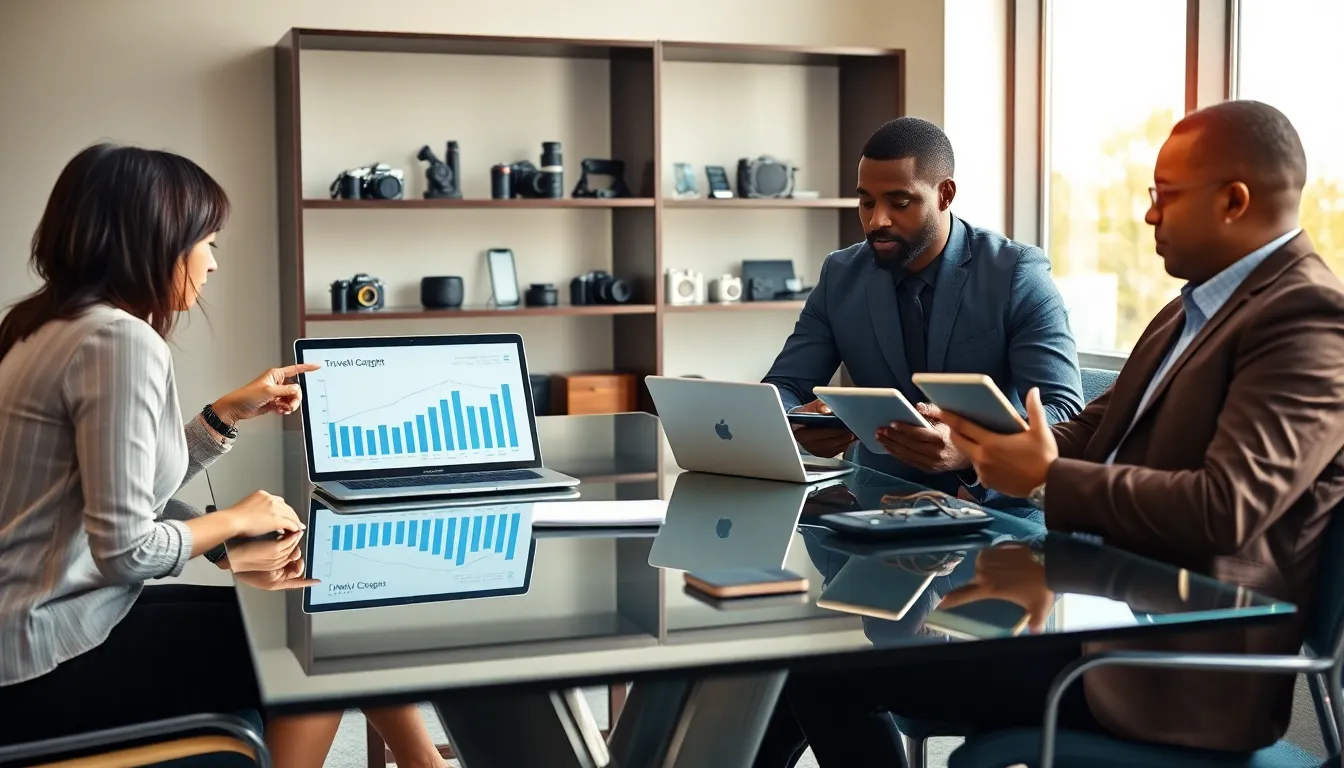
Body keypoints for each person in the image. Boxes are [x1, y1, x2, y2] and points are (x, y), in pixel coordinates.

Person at [764, 99, 1344, 767]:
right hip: (1086, 612)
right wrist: (983, 447)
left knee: (821, 674)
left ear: (1234, 201)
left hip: (1166, 665)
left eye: (1165, 197)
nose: (1150, 215)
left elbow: (1227, 508)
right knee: (809, 665)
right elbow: (1082, 433)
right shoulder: (1188, 311)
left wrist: (1040, 477)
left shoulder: (1307, 317)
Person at [0, 143, 445, 768]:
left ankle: (424, 764)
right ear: (154, 240)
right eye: (206, 241)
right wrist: (235, 521)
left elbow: (122, 490)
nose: (212, 263)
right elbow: (128, 549)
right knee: (314, 645)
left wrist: (223, 415)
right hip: (42, 656)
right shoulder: (118, 341)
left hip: (32, 626)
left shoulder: (42, 324)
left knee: (317, 620)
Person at [762, 117, 1083, 499]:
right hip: (872, 506)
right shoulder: (840, 274)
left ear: (945, 195)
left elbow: (1063, 412)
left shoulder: (1016, 273)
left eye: (899, 203)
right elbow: (782, 388)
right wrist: (802, 424)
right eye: (866, 202)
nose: (876, 220)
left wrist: (971, 452)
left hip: (993, 516)